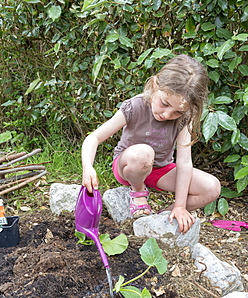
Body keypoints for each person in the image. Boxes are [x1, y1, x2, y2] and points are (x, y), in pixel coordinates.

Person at [82, 54, 221, 233]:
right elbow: (93, 138)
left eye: (177, 112)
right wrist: (88, 166)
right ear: (155, 85)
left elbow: (184, 162)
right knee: (144, 153)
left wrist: (180, 205)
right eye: (164, 104)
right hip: (129, 166)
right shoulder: (136, 106)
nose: (167, 115)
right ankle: (138, 190)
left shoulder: (184, 119)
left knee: (212, 187)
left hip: (160, 170)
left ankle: (161, 217)